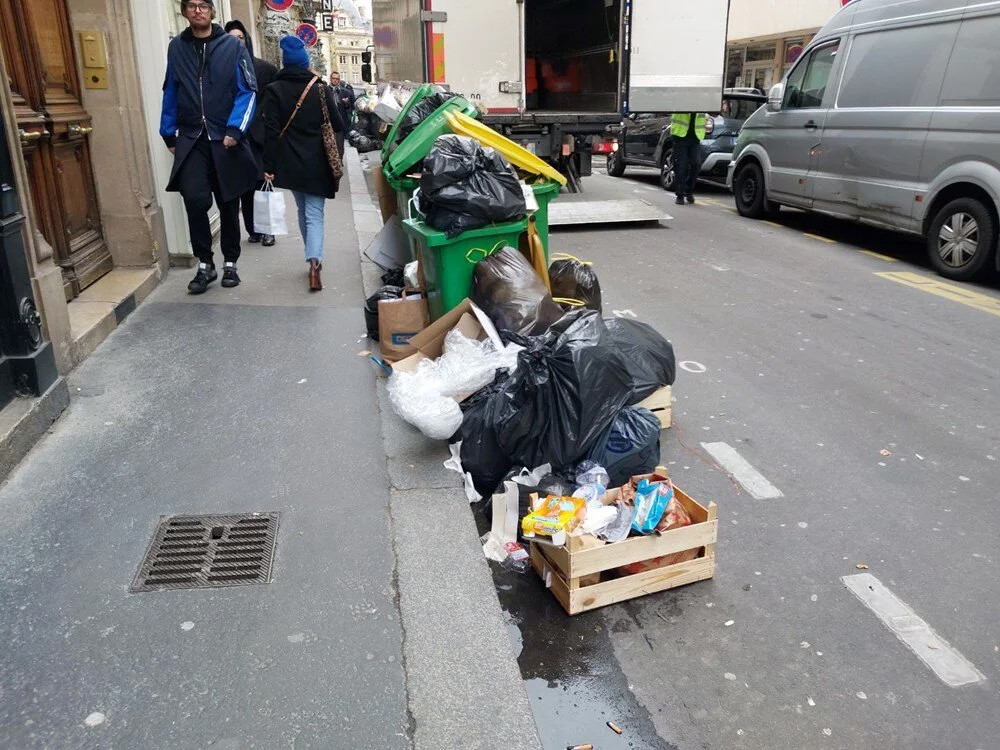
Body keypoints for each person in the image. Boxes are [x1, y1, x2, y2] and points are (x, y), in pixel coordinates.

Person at [160, 0, 259, 294]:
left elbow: (248, 91)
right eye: (191, 5)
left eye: (203, 5)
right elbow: (171, 88)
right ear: (184, 11)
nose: (197, 10)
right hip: (192, 137)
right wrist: (168, 133)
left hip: (224, 138)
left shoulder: (232, 46)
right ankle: (205, 263)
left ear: (212, 11)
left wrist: (235, 130)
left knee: (229, 202)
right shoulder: (176, 47)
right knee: (194, 197)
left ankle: (230, 262)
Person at [261, 36, 345, 292]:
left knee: (301, 209)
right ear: (305, 60)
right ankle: (315, 262)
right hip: (318, 160)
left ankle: (311, 256)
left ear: (284, 61)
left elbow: (271, 131)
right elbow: (339, 124)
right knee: (314, 213)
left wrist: (269, 165)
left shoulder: (274, 89)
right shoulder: (320, 87)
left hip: (290, 161)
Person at [225, 20, 278, 247]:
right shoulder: (221, 68)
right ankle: (253, 229)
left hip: (257, 135)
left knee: (261, 183)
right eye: (230, 37)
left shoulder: (263, 68)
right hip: (233, 135)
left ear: (246, 39)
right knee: (245, 186)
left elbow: (274, 97)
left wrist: (266, 121)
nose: (235, 41)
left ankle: (268, 230)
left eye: (239, 37)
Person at [670, 112, 708, 206]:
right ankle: (680, 195)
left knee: (697, 164)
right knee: (681, 166)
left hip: (695, 137)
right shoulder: (683, 98)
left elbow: (713, 111)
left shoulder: (702, 99)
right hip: (680, 136)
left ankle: (688, 189)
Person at [329, 71, 355, 156]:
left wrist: (346, 103)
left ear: (339, 80)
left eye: (337, 79)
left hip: (340, 122)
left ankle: (339, 162)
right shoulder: (325, 91)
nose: (335, 80)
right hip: (329, 123)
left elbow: (350, 108)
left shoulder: (345, 92)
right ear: (330, 79)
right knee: (330, 145)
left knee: (340, 145)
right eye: (333, 78)